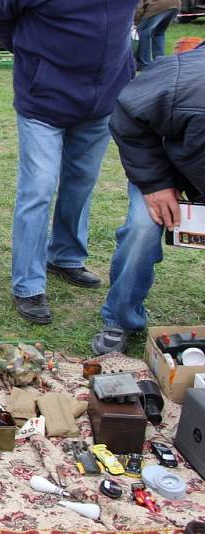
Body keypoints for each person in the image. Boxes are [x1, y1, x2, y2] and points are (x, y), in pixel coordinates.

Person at [0, 0, 136, 324]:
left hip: (103, 99)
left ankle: (66, 256)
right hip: (43, 101)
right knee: (38, 188)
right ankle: (27, 285)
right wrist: (36, 60)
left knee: (81, 184)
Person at [92, 44, 205, 355]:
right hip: (160, 163)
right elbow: (127, 115)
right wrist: (155, 183)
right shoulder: (180, 82)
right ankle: (120, 318)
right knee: (141, 231)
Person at [134, 0, 180, 71]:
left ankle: (144, 64)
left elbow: (138, 6)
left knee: (142, 32)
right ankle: (160, 63)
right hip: (175, 4)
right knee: (158, 33)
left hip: (157, 6)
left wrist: (136, 21)